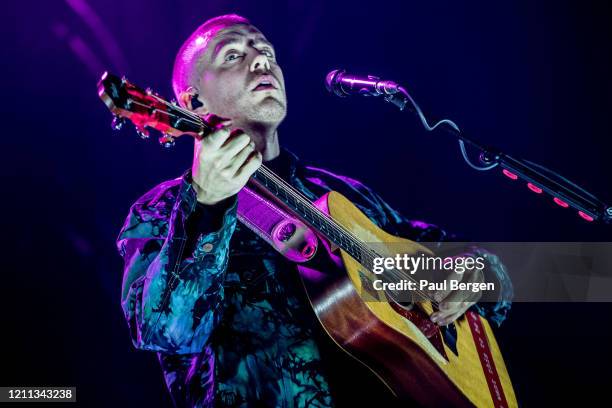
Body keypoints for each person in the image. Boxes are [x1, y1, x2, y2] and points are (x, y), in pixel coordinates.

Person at [116, 14, 512, 408]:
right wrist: (208, 207)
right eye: (233, 54)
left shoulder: (343, 193)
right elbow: (165, 329)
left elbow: (457, 257)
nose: (260, 60)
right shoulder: (163, 209)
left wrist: (476, 272)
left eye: (266, 51)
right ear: (192, 102)